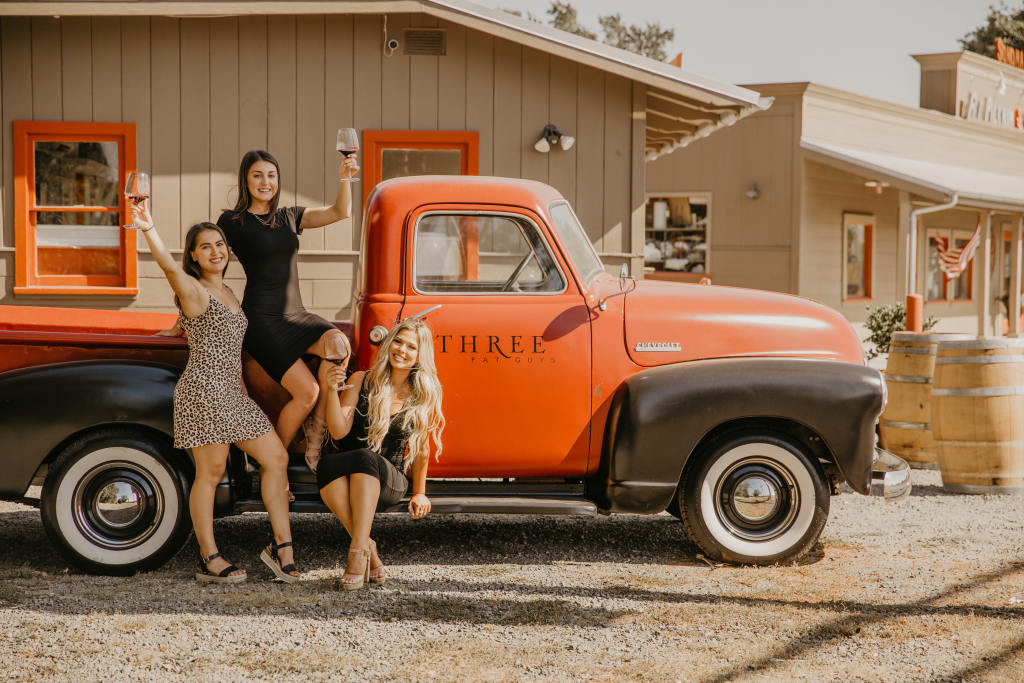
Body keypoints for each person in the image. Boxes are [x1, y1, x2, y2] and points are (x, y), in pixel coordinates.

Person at [130, 202, 300, 584]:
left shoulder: (227, 290)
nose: (216, 251)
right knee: (211, 473)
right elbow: (169, 269)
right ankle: (208, 557)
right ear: (193, 255)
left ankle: (280, 547)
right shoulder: (193, 290)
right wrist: (148, 228)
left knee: (275, 458)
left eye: (220, 244)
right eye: (205, 246)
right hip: (203, 392)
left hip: (234, 394)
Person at [216, 149, 359, 472]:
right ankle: (274, 463)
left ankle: (316, 432)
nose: (265, 182)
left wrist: (345, 177)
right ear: (246, 180)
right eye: (257, 175)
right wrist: (184, 316)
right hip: (263, 321)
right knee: (307, 392)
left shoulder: (290, 216)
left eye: (271, 175)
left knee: (338, 345)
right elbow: (207, 265)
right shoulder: (232, 222)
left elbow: (341, 211)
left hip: (296, 315)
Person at [316, 318, 445, 590]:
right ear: (388, 343)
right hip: (351, 468)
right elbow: (339, 432)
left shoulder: (423, 393)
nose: (401, 349)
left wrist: (420, 492)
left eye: (411, 346)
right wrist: (330, 390)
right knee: (329, 466)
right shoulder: (361, 379)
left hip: (389, 479)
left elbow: (421, 449)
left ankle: (355, 558)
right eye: (398, 341)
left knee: (365, 459)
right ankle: (367, 548)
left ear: (420, 355)